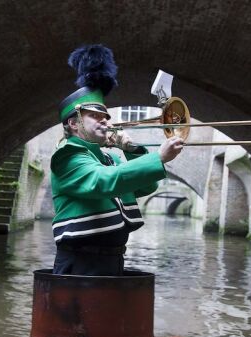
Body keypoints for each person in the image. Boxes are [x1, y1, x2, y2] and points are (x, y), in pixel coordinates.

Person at [50, 44, 184, 276]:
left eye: (105, 117)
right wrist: (158, 157)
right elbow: (103, 181)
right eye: (95, 116)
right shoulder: (67, 156)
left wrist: (131, 149)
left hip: (112, 261)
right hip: (80, 264)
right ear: (73, 123)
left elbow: (145, 185)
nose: (105, 122)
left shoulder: (109, 157)